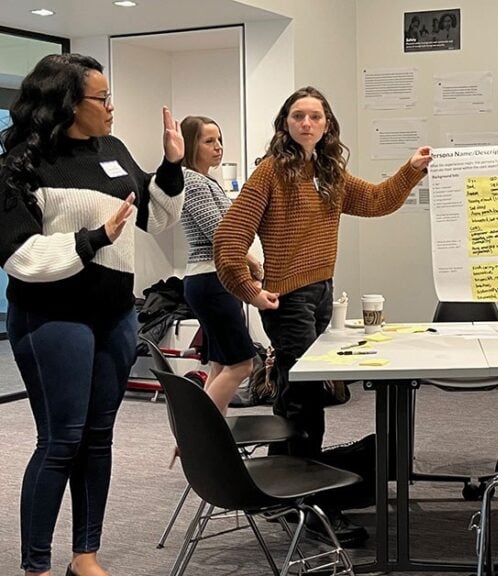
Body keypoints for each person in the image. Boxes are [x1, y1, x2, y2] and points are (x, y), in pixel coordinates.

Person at [214, 86, 431, 546]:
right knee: (305, 403)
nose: (307, 124)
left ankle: (279, 491)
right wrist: (250, 290)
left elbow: (375, 201)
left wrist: (410, 171)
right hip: (289, 300)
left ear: (327, 124)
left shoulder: (329, 172)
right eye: (298, 116)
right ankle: (302, 506)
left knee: (297, 397)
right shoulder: (270, 172)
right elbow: (229, 238)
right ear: (285, 123)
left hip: (320, 294)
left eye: (315, 116)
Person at [0, 53, 183, 576]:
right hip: (52, 316)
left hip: (114, 314)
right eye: (101, 99)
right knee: (61, 440)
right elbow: (19, 255)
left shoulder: (114, 150)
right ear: (68, 103)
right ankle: (36, 564)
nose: (111, 108)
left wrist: (171, 166)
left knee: (98, 438)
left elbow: (154, 215)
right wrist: (93, 238)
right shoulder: (22, 164)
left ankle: (86, 556)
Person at [179, 115, 261, 414]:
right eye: (209, 141)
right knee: (242, 365)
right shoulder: (193, 181)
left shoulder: (205, 180)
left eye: (220, 140)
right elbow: (220, 233)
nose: (218, 148)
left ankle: (211, 441)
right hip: (211, 280)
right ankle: (199, 436)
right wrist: (253, 264)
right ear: (191, 145)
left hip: (212, 280)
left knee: (219, 364)